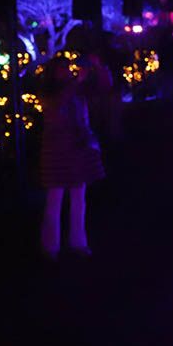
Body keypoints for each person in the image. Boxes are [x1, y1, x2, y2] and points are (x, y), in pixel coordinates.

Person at [38, 58, 105, 261]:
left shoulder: (76, 90)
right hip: (57, 150)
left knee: (79, 198)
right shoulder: (49, 93)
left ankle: (78, 243)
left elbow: (103, 87)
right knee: (55, 200)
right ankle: (51, 247)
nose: (67, 72)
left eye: (67, 68)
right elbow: (57, 104)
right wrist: (76, 82)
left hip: (77, 148)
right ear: (53, 73)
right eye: (62, 69)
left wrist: (98, 66)